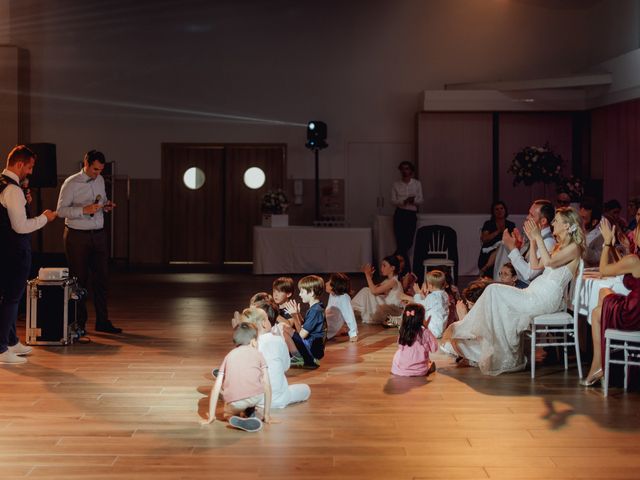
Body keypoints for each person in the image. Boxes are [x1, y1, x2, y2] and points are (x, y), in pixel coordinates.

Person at [442, 207, 585, 376]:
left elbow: (549, 263)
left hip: (546, 297)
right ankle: (479, 342)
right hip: (535, 292)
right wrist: (532, 241)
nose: (553, 223)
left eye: (557, 221)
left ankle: (467, 329)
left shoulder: (575, 248)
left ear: (567, 226)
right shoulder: (559, 247)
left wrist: (539, 237)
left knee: (494, 290)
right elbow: (534, 265)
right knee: (494, 295)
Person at [0, 146, 57, 364]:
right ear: (20, 164)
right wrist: (44, 218)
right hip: (14, 250)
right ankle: (2, 348)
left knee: (7, 297)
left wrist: (25, 202)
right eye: (30, 167)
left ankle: (12, 341)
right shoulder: (13, 190)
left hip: (3, 249)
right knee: (11, 299)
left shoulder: (4, 184)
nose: (31, 172)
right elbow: (21, 226)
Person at [56, 150, 121, 334]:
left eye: (100, 170)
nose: (97, 173)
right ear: (85, 163)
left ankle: (102, 321)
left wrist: (107, 205)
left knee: (102, 280)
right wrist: (83, 210)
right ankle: (79, 324)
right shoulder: (71, 183)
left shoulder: (100, 180)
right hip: (77, 236)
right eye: (94, 169)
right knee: (79, 282)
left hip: (99, 235)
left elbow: (102, 201)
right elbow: (60, 211)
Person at [581, 214, 640, 387]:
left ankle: (598, 363)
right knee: (603, 294)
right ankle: (600, 364)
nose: (633, 232)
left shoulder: (635, 260)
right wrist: (614, 246)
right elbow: (621, 265)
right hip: (635, 305)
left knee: (597, 311)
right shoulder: (634, 259)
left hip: (633, 313)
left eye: (637, 229)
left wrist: (607, 242)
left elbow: (605, 270)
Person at [201, 322, 272, 432]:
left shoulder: (229, 356)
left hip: (236, 402)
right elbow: (267, 385)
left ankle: (232, 418)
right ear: (253, 341)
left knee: (226, 412)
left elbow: (216, 388)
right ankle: (249, 412)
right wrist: (266, 415)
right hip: (256, 397)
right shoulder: (258, 354)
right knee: (251, 392)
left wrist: (211, 416)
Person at [239, 308, 311, 408]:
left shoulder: (247, 346)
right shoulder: (278, 340)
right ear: (264, 323)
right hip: (280, 398)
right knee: (306, 389)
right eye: (268, 319)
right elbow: (286, 366)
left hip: (255, 398)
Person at [493, 199, 556, 285]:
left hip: (531, 289)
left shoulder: (548, 242)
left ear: (543, 221)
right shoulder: (534, 236)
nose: (527, 217)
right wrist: (518, 248)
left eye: (531, 215)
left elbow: (528, 275)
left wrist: (512, 248)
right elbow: (519, 269)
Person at [282, 275, 327, 369]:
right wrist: (297, 314)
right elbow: (305, 326)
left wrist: (294, 316)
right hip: (312, 347)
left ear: (311, 292)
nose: (299, 294)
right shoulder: (316, 307)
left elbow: (302, 334)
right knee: (284, 327)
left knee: (283, 328)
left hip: (313, 351)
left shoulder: (315, 311)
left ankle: (301, 358)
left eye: (302, 291)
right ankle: (298, 356)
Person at [351, 255, 404, 325]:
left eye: (384, 266)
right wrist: (370, 277)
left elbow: (374, 291)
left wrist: (367, 275)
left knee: (366, 291)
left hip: (393, 310)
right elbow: (373, 290)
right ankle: (350, 309)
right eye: (381, 265)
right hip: (387, 307)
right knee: (366, 291)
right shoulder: (388, 281)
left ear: (392, 268)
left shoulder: (394, 281)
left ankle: (349, 309)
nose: (382, 268)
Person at [391, 161, 423, 274]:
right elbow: (393, 201)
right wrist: (403, 201)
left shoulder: (417, 184)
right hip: (400, 214)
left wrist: (413, 200)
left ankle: (392, 262)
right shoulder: (396, 184)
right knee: (400, 242)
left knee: (407, 243)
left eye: (407, 169)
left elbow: (421, 200)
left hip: (411, 215)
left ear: (411, 170)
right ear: (400, 170)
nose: (405, 171)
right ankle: (406, 270)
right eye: (403, 169)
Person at [391, 303, 438, 377]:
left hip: (401, 370)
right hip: (420, 371)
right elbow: (434, 349)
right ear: (421, 319)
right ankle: (427, 366)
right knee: (429, 362)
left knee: (399, 353)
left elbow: (400, 347)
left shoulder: (403, 331)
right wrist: (427, 328)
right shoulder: (425, 332)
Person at [405, 269, 449, 338]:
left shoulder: (433, 296)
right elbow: (431, 305)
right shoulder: (444, 294)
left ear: (431, 285)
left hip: (433, 330)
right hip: (441, 329)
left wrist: (417, 293)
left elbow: (420, 305)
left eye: (427, 283)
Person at [477, 201, 515, 277]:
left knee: (502, 246)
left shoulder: (511, 224)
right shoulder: (488, 223)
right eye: (496, 209)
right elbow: (484, 239)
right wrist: (498, 231)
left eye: (501, 208)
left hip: (506, 250)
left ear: (505, 210)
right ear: (493, 212)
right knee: (500, 247)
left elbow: (513, 239)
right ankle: (486, 267)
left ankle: (485, 267)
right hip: (489, 250)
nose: (499, 211)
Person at [325, 273, 358, 342]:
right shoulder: (332, 294)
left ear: (335, 285)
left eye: (329, 282)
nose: (326, 283)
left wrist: (353, 334)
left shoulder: (344, 297)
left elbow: (349, 316)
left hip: (327, 327)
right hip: (327, 327)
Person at [579, 197, 603, 268]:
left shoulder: (600, 236)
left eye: (583, 218)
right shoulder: (573, 230)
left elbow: (598, 257)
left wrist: (579, 246)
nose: (579, 221)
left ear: (594, 222)